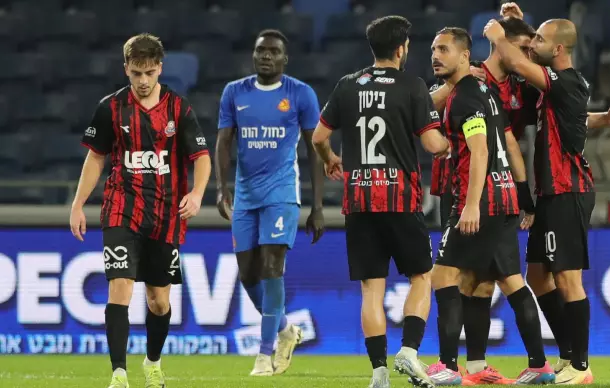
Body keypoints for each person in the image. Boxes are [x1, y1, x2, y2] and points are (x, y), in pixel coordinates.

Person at [312, 15, 450, 388]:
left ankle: (378, 373)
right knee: (422, 276)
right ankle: (408, 351)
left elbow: (318, 136)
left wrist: (330, 160)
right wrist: (452, 143)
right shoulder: (412, 85)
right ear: (402, 47)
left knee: (372, 288)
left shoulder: (347, 86)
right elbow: (433, 145)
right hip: (400, 199)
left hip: (358, 201)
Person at [69, 33, 212, 388]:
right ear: (126, 70)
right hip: (122, 207)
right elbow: (96, 157)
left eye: (149, 72)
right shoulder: (111, 108)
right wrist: (78, 203)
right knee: (120, 287)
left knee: (158, 301)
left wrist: (196, 193)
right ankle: (119, 374)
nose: (144, 81)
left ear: (160, 68)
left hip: (165, 215)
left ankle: (152, 362)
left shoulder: (179, 108)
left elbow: (202, 157)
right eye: (136, 73)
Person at [428, 26, 554, 386]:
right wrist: (520, 193)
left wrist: (469, 205)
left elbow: (480, 149)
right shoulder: (486, 91)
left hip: (479, 200)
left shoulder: (466, 96)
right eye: (434, 50)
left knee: (444, 276)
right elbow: (508, 143)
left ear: (466, 55)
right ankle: (535, 365)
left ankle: (448, 367)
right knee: (497, 282)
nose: (436, 56)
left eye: (444, 50)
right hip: (503, 198)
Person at [484, 13, 598, 384]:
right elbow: (578, 116)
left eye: (541, 41)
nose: (534, 44)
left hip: (568, 190)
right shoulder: (555, 88)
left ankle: (581, 366)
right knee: (537, 275)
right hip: (549, 193)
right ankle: (566, 356)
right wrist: (521, 21)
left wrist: (498, 34)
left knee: (568, 279)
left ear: (559, 49)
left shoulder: (564, 81)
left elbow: (517, 61)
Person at [215, 29, 326, 376]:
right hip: (246, 196)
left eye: (273, 52)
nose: (266, 56)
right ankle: (286, 331)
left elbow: (314, 148)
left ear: (284, 58)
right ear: (253, 54)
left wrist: (317, 205)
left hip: (282, 194)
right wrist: (222, 189)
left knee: (272, 267)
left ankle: (264, 354)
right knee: (248, 274)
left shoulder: (300, 94)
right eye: (261, 50)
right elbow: (222, 143)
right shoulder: (234, 93)